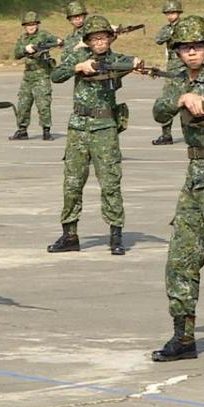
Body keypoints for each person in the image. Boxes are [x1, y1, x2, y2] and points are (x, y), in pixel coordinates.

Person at [47, 16, 141, 256]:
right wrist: (78, 67)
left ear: (110, 38)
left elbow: (133, 61)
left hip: (105, 127)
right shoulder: (79, 57)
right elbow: (56, 75)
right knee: (72, 183)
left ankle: (116, 234)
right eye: (95, 38)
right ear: (87, 41)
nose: (100, 42)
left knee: (110, 181)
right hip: (78, 127)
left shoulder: (116, 60)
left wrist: (138, 64)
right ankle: (69, 235)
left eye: (104, 37)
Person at [150, 15, 204, 362]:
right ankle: (184, 338)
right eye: (186, 48)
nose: (192, 53)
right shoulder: (177, 81)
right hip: (196, 176)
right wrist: (181, 98)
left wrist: (203, 99)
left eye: (198, 46)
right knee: (180, 259)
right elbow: (160, 112)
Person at [11, 11, 63, 141]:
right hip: (28, 75)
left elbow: (56, 40)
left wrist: (58, 41)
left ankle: (46, 130)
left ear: (37, 24)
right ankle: (22, 130)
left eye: (33, 24)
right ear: (24, 26)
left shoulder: (43, 35)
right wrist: (25, 49)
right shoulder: (23, 39)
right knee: (23, 103)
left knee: (43, 104)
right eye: (28, 25)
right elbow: (16, 53)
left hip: (41, 75)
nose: (31, 27)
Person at [152, 0, 185, 146]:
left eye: (173, 12)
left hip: (186, 66)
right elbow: (158, 39)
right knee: (167, 100)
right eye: (168, 13)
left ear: (179, 13)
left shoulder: (186, 27)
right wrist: (171, 31)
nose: (171, 16)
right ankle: (166, 134)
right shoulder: (168, 29)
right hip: (172, 68)